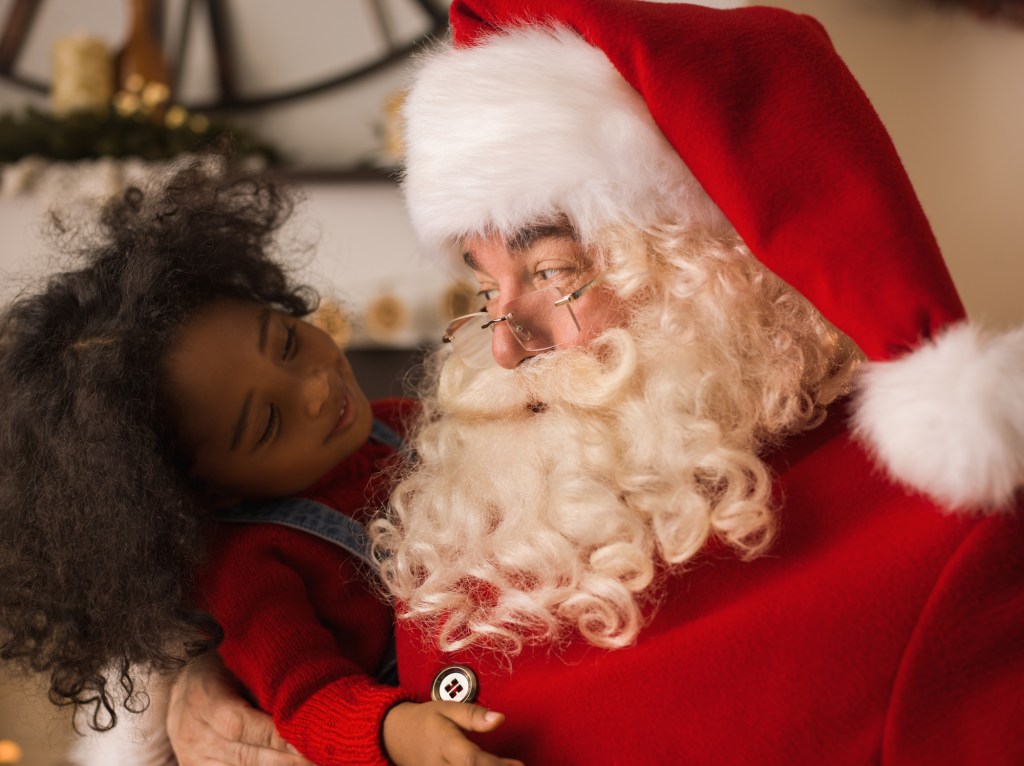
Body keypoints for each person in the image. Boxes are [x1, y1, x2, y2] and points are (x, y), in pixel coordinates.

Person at [166, 1, 1024, 764]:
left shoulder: (946, 551)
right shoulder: (486, 460)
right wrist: (195, 674)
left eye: (553, 273)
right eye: (485, 288)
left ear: (709, 267)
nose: (505, 348)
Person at [0, 159, 522, 766]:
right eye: (269, 422)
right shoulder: (249, 569)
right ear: (206, 493)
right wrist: (396, 732)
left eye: (288, 343)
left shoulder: (400, 420)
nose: (316, 389)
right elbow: (308, 699)